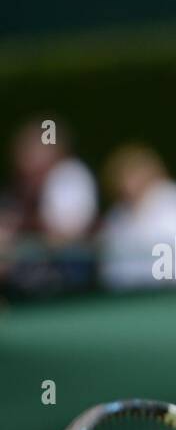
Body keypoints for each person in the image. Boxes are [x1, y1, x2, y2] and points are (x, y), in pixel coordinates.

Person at [0, 119, 98, 297]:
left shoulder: (70, 176)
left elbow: (67, 236)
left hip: (67, 278)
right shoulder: (22, 188)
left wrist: (18, 236)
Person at [98, 144, 176, 291]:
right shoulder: (117, 214)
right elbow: (112, 263)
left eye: (133, 173)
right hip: (131, 295)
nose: (127, 183)